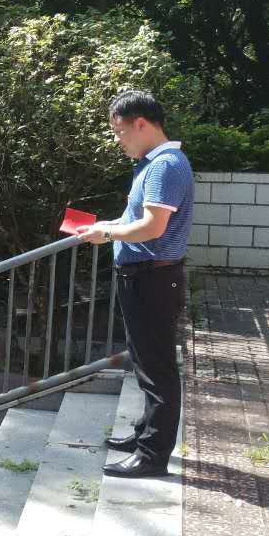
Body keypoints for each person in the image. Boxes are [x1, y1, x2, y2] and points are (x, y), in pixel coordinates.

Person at [75, 89, 194, 478]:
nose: (117, 140)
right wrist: (107, 225)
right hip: (146, 277)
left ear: (141, 123)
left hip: (153, 278)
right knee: (146, 361)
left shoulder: (164, 166)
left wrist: (107, 235)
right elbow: (136, 219)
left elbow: (153, 227)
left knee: (157, 367)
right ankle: (146, 432)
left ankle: (152, 454)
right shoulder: (152, 163)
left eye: (119, 131)